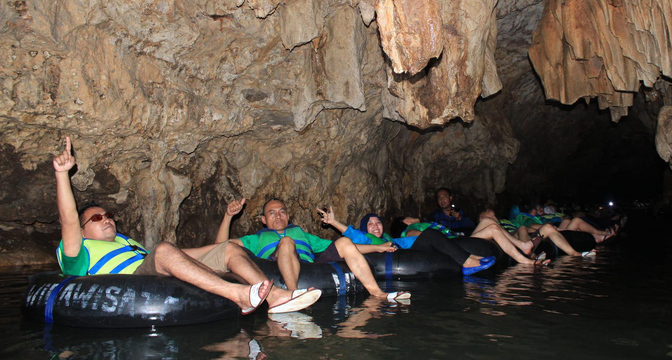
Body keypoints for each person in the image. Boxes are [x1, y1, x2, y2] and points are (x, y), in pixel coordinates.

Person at [53, 137, 320, 315]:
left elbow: (171, 257)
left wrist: (215, 250)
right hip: (131, 283)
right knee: (163, 250)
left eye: (108, 214)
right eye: (97, 218)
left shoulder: (127, 242)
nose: (106, 219)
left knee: (228, 249)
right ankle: (238, 294)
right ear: (83, 230)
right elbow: (68, 218)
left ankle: (275, 296)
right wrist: (62, 174)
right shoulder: (78, 251)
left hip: (156, 267)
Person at [217, 198, 410, 302]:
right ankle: (293, 294)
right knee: (286, 242)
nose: (278, 216)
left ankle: (377, 293)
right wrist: (228, 216)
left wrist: (378, 246)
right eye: (272, 213)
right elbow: (219, 249)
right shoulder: (256, 238)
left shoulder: (301, 233)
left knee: (344, 242)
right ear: (263, 220)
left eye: (282, 212)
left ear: (288, 216)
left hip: (309, 267)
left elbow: (346, 247)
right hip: (275, 266)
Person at [318, 208, 495, 275]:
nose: (375, 226)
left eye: (378, 222)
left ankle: (469, 257)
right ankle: (467, 262)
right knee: (429, 235)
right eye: (370, 224)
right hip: (394, 260)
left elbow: (408, 242)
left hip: (407, 254)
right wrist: (333, 222)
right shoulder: (365, 238)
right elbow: (349, 233)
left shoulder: (389, 239)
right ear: (365, 228)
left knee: (430, 234)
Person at [394, 214, 549, 265]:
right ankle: (525, 260)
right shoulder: (410, 229)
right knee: (493, 229)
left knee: (488, 221)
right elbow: (428, 239)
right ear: (405, 221)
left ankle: (523, 245)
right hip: (454, 245)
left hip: (458, 239)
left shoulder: (424, 223)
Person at [482, 210, 596, 258]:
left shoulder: (507, 221)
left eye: (494, 216)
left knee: (548, 227)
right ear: (481, 218)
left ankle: (575, 253)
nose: (495, 218)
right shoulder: (485, 225)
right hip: (511, 237)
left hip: (523, 235)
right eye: (491, 216)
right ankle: (531, 254)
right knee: (522, 228)